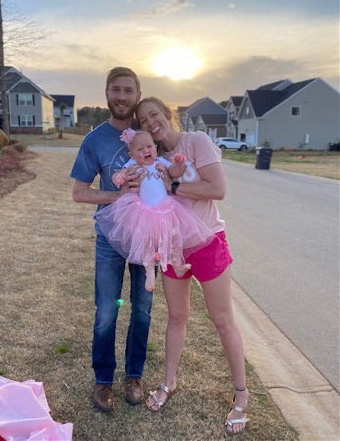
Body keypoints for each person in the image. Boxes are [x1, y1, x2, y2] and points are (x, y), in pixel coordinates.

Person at [136, 97, 249, 436]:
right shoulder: (151, 159)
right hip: (173, 249)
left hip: (208, 244)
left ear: (168, 114)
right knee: (176, 317)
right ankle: (169, 382)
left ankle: (242, 395)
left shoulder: (196, 141)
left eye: (154, 114)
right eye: (143, 120)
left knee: (222, 320)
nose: (150, 122)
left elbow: (217, 189)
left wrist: (173, 186)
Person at [70, 67, 153, 413]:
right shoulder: (95, 140)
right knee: (106, 312)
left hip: (147, 238)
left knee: (143, 311)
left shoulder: (150, 135)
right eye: (115, 89)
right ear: (107, 93)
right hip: (110, 238)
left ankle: (134, 377)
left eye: (128, 90)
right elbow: (79, 193)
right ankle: (103, 380)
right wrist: (117, 197)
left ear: (137, 94)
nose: (121, 96)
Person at [96, 128, 215, 291]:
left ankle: (177, 263)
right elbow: (120, 172)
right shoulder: (133, 165)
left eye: (149, 147)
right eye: (140, 149)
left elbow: (174, 172)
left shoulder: (160, 162)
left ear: (155, 148)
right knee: (147, 243)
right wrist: (118, 177)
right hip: (144, 211)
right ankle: (150, 272)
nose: (146, 151)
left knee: (172, 237)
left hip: (166, 208)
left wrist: (178, 164)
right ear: (131, 155)